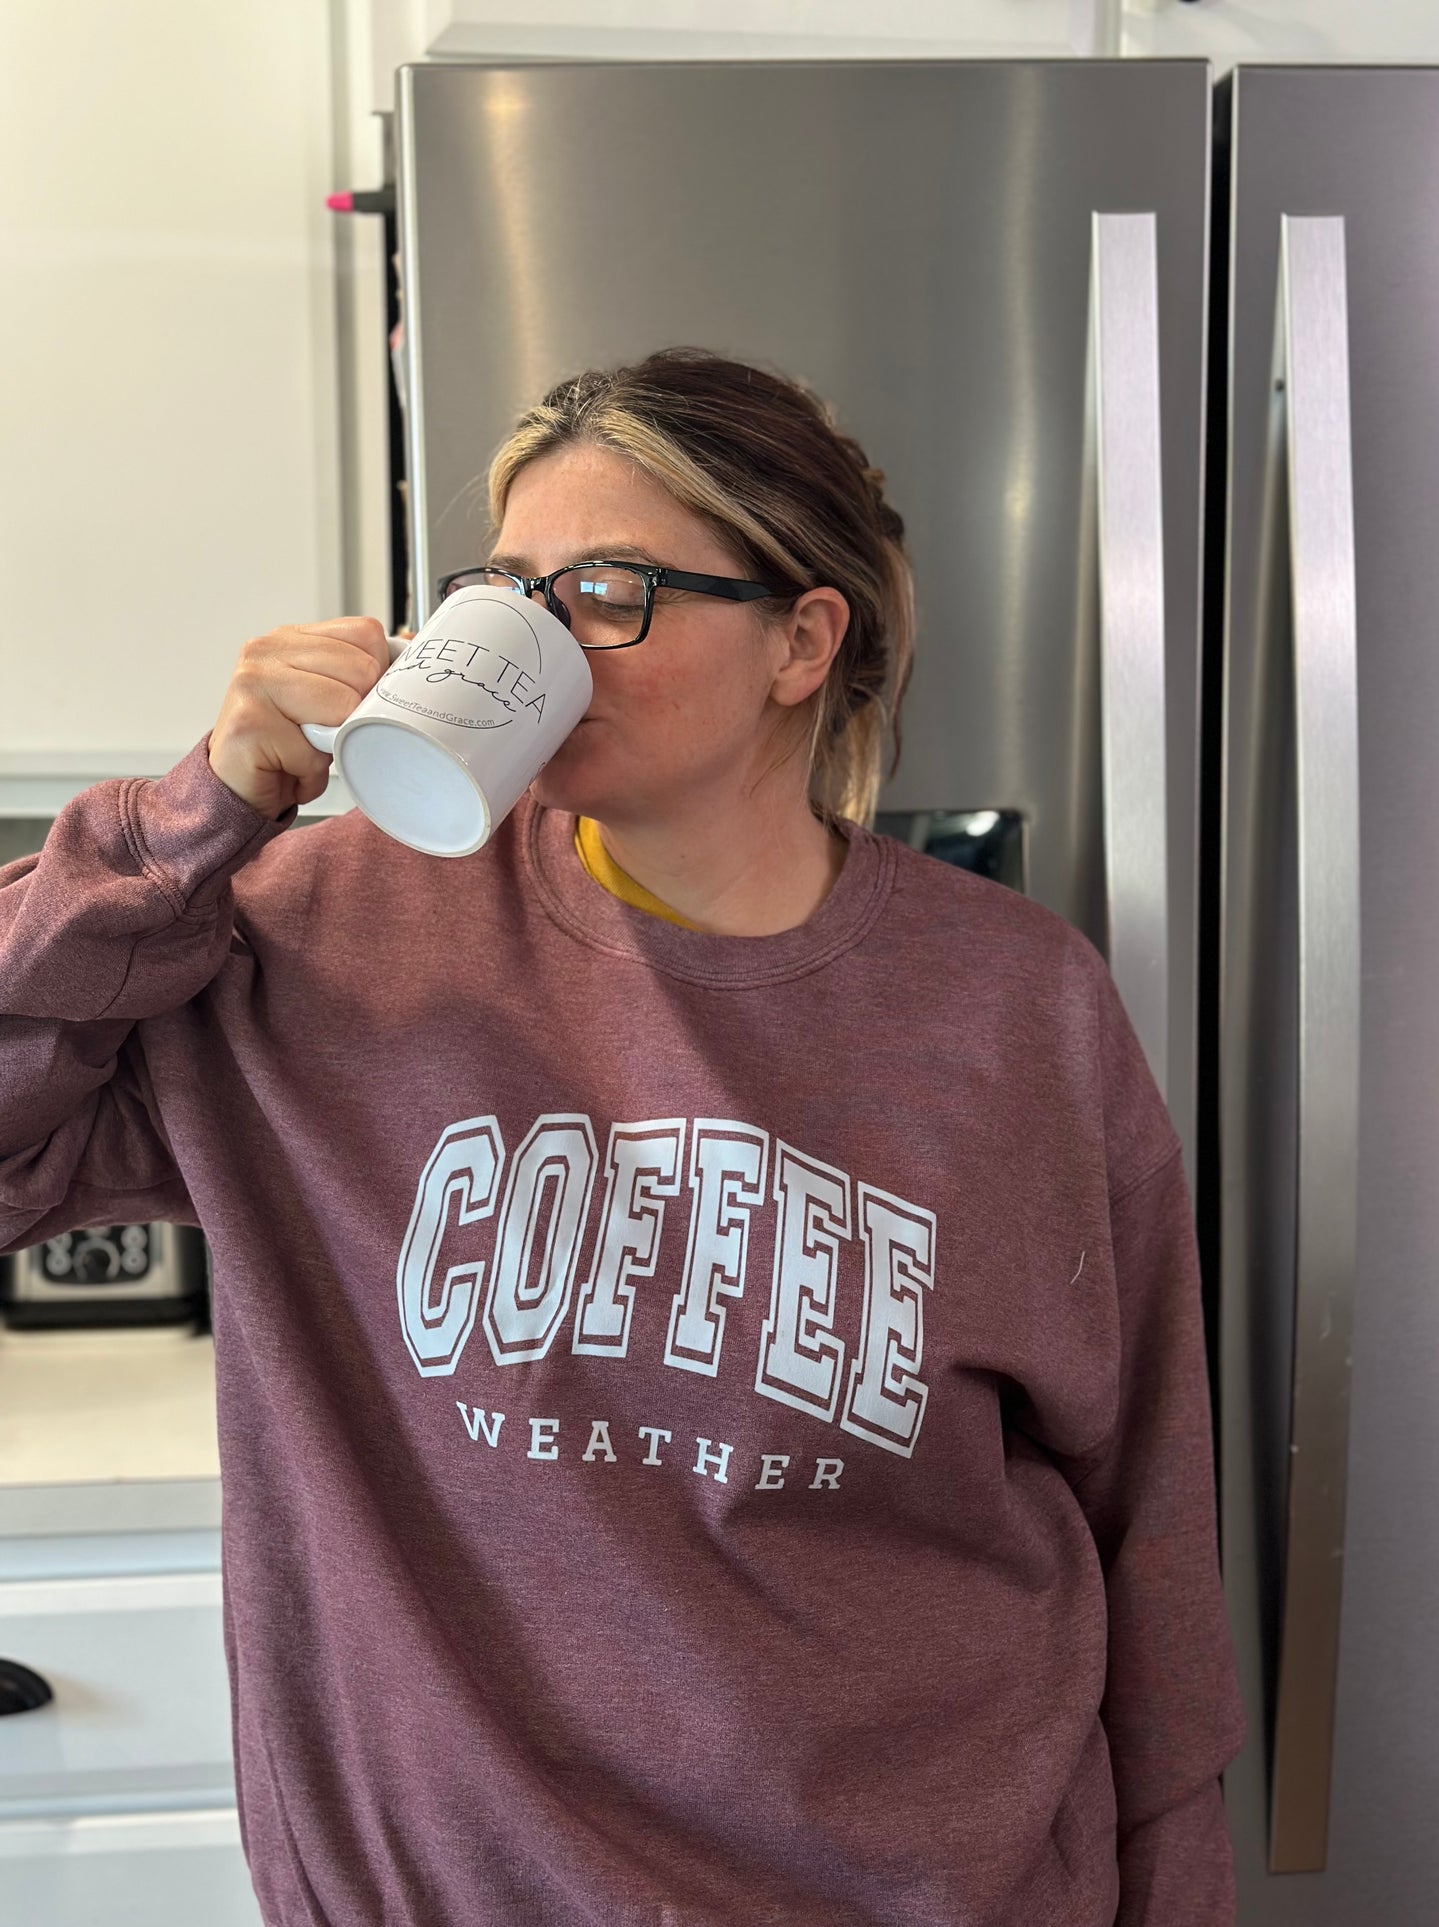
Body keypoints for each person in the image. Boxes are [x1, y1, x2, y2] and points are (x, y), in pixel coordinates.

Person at [0, 347, 1245, 1925]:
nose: (537, 641)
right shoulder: (322, 936)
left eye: (604, 589)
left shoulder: (1015, 1008)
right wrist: (191, 821)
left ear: (800, 641)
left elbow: (1142, 1516)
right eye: (506, 589)